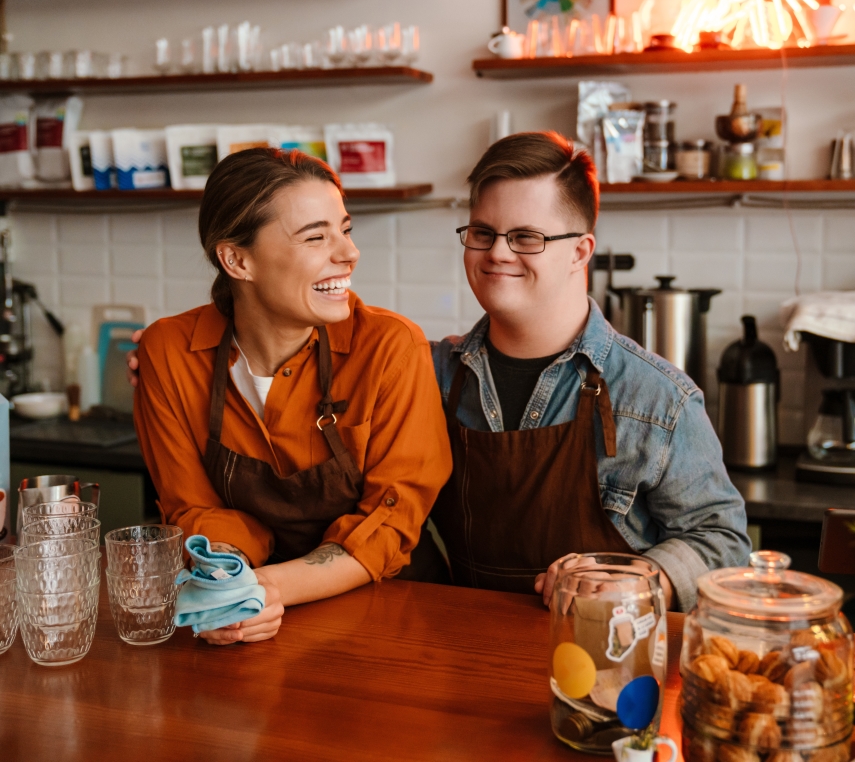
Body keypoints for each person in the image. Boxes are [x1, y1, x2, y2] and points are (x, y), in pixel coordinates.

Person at [133, 148, 452, 646]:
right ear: (237, 259)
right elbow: (193, 510)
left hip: (394, 619)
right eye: (316, 237)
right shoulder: (170, 353)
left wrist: (259, 589)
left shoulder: (390, 348)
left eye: (344, 229)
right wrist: (224, 586)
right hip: (255, 626)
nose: (348, 254)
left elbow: (387, 522)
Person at [429, 131, 750, 612]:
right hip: (461, 659)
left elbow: (722, 541)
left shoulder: (657, 398)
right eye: (482, 233)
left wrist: (642, 580)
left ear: (580, 251)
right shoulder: (434, 375)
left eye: (525, 237)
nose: (497, 253)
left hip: (609, 664)